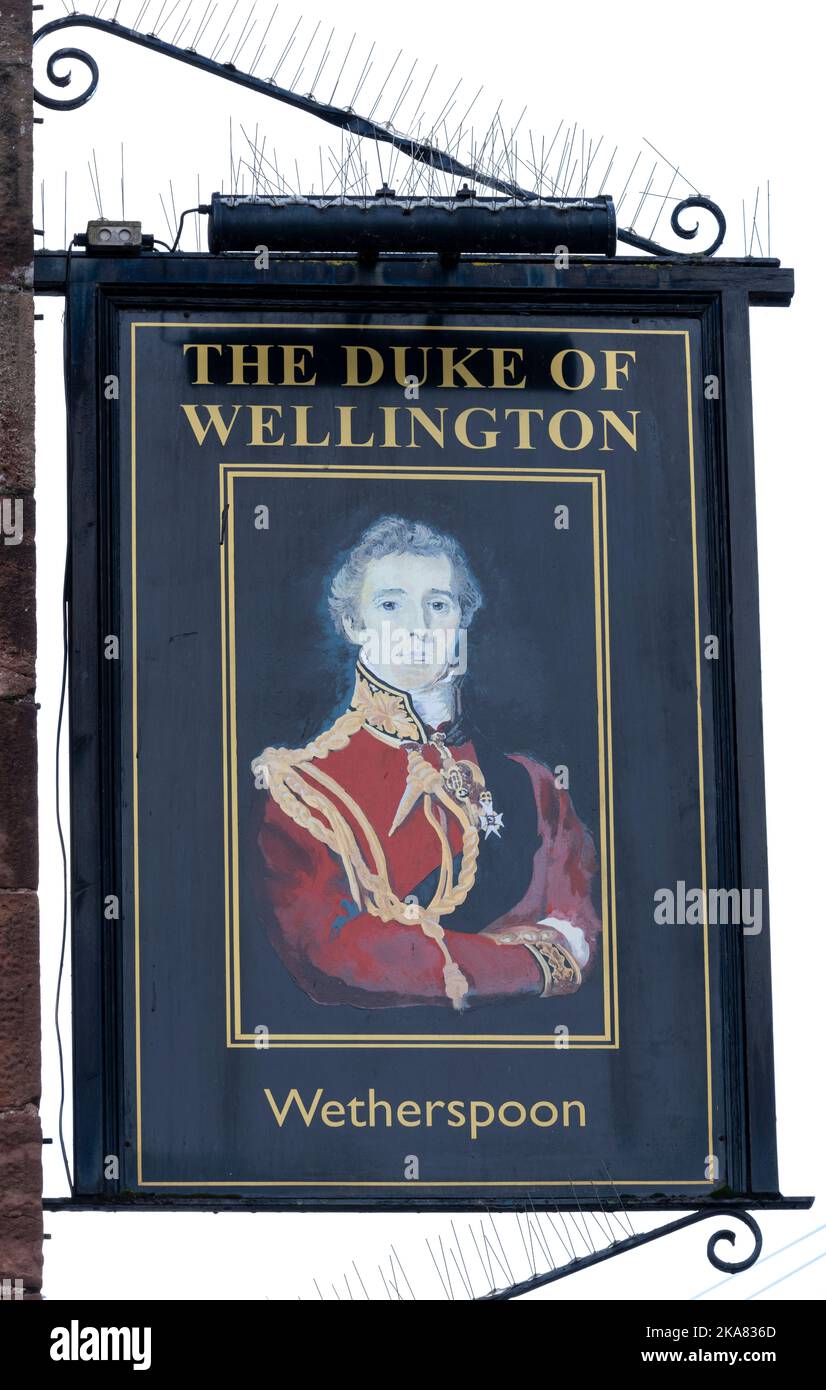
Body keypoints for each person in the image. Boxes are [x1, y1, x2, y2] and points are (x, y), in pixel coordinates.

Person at [252, 516, 601, 1012]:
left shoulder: (533, 784)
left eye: (438, 604)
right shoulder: (301, 791)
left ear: (463, 619)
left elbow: (581, 928)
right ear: (353, 624)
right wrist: (527, 963)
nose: (417, 626)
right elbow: (337, 958)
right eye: (391, 604)